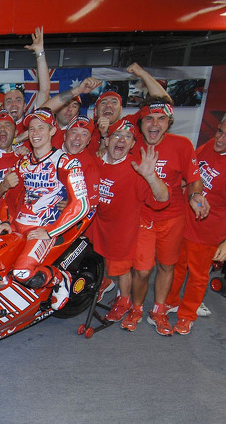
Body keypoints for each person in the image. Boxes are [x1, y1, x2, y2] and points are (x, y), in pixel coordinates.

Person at [166, 109, 226, 334]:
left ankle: (187, 314)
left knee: (197, 275)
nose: (220, 139)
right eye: (220, 131)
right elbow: (192, 171)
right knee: (175, 266)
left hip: (208, 231)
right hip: (184, 220)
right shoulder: (212, 144)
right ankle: (170, 301)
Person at [121, 100, 206, 335]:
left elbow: (193, 178)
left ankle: (158, 310)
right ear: (141, 123)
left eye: (161, 119)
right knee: (142, 270)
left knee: (167, 266)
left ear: (168, 123)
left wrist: (196, 194)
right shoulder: (130, 142)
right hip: (142, 216)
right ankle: (136, 308)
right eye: (149, 118)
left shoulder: (182, 145)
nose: (154, 124)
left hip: (173, 217)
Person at [0, 108, 89, 309]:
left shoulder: (67, 162)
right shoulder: (23, 163)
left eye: (41, 128)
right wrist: (5, 221)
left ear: (52, 130)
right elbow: (10, 198)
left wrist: (50, 231)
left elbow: (82, 204)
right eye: (31, 129)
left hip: (43, 228)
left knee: (22, 272)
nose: (35, 133)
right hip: (19, 225)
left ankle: (60, 278)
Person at [87, 121, 170, 323]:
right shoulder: (94, 162)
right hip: (97, 225)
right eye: (116, 135)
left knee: (123, 269)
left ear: (133, 144)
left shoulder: (137, 169)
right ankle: (103, 287)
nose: (121, 140)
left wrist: (151, 177)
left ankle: (125, 301)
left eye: (128, 137)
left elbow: (162, 199)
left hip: (123, 230)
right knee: (96, 262)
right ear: (106, 140)